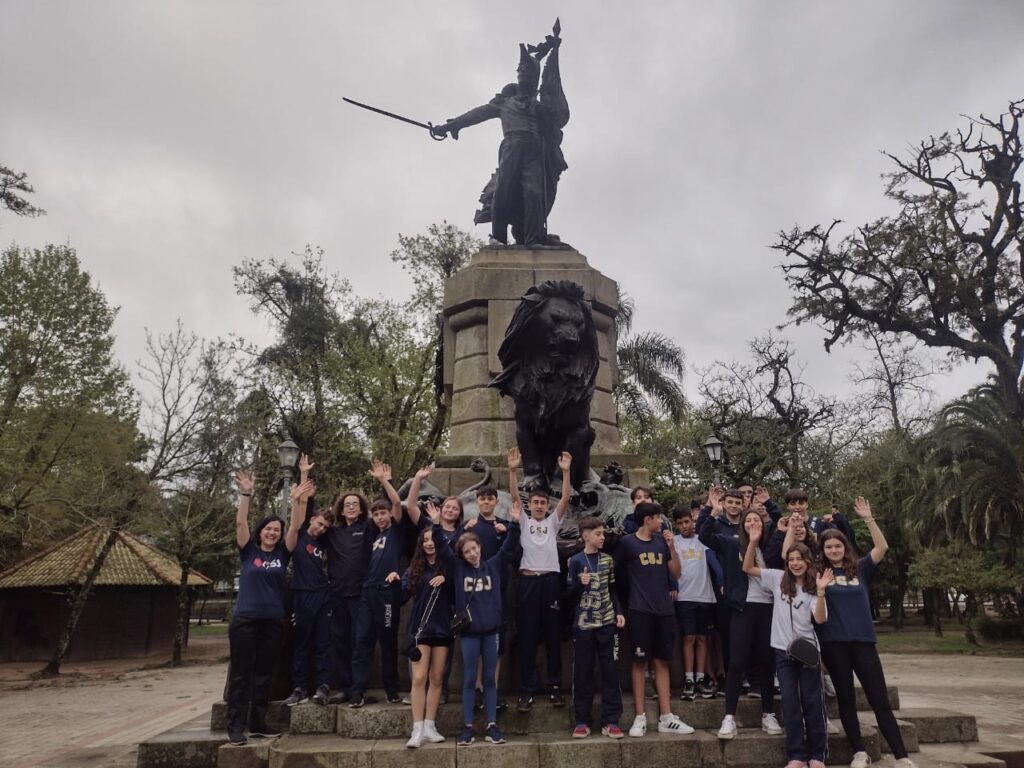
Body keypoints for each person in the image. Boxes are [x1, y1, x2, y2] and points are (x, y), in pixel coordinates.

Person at [430, 26, 568, 247]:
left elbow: (555, 124)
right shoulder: (504, 102)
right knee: (504, 190)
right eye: (520, 70)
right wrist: (452, 125)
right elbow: (479, 113)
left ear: (533, 78)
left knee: (534, 192)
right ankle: (498, 238)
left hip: (534, 149)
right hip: (512, 145)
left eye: (527, 70)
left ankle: (533, 238)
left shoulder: (537, 106)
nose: (522, 72)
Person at [818, 498, 916, 768]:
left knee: (879, 700)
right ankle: (859, 751)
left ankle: (901, 756)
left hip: (863, 643)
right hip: (834, 644)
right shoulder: (820, 573)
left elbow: (882, 547)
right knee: (846, 700)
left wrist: (868, 519)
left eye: (838, 545)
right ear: (823, 550)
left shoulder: (860, 568)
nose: (834, 550)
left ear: (844, 547)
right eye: (829, 546)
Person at [433, 497, 523, 746]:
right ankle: (468, 726)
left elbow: (508, 548)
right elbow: (442, 549)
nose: (472, 553)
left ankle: (492, 725)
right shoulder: (458, 569)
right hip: (470, 634)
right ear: (461, 554)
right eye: (467, 551)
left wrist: (515, 523)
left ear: (480, 548)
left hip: (491, 631)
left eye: (475, 548)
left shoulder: (492, 566)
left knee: (491, 680)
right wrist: (435, 526)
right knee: (470, 679)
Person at [225, 470, 305, 746]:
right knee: (241, 674)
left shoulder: (282, 554)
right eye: (268, 529)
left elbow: (296, 528)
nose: (272, 533)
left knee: (263, 675)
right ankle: (235, 725)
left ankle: (258, 723)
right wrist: (246, 493)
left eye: (276, 530)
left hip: (272, 622)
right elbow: (239, 522)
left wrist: (297, 501)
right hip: (245, 621)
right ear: (260, 532)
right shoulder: (249, 551)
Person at [743, 532, 831, 768]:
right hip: (782, 652)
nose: (795, 563)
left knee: (812, 703)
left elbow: (820, 619)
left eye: (799, 559)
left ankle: (817, 755)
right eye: (791, 559)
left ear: (808, 562)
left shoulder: (814, 587)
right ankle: (796, 756)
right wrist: (753, 541)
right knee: (790, 704)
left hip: (808, 652)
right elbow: (748, 567)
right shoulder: (777, 578)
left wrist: (821, 591)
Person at [699, 494, 782, 739]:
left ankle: (768, 713)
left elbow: (781, 527)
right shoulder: (731, 542)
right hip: (742, 607)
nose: (753, 524)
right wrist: (711, 511)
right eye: (749, 521)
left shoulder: (769, 547)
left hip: (767, 608)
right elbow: (704, 537)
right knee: (736, 662)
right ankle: (729, 717)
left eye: (757, 521)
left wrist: (769, 506)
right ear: (743, 525)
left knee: (766, 662)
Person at [614, 502, 694, 737]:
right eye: (658, 518)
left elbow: (676, 573)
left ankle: (666, 716)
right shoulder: (627, 543)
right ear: (647, 519)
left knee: (662, 662)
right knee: (639, 663)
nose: (662, 522)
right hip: (639, 611)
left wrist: (671, 548)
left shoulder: (663, 541)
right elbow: (616, 574)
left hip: (664, 611)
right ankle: (640, 717)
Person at [510, 447, 570, 711]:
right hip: (527, 583)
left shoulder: (552, 523)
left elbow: (566, 499)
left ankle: (555, 686)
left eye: (542, 503)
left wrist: (566, 473)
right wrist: (512, 470)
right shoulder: (523, 521)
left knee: (553, 636)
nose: (538, 506)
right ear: (530, 505)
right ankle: (527, 689)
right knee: (528, 637)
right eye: (535, 502)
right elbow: (514, 497)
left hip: (550, 582)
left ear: (547, 506)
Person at [348, 460, 405, 708]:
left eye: (384, 513)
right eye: (377, 514)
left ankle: (391, 690)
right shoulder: (373, 535)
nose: (381, 517)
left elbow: (396, 502)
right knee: (362, 642)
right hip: (367, 593)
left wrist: (384, 480)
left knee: (388, 643)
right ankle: (357, 691)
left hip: (387, 595)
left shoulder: (397, 532)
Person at [566, 515, 625, 739]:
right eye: (598, 534)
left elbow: (612, 590)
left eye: (604, 533)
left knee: (610, 670)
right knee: (583, 672)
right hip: (583, 624)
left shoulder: (608, 560)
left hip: (606, 622)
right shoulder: (575, 561)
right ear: (585, 536)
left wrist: (618, 612)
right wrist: (579, 586)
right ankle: (582, 720)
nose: (603, 537)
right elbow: (568, 597)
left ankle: (611, 720)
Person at [283, 454, 334, 707]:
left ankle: (323, 685)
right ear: (312, 520)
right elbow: (300, 508)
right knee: (302, 642)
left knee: (324, 641)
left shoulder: (323, 544)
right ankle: (299, 686)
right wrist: (303, 475)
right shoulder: (300, 536)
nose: (322, 528)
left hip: (323, 596)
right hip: (303, 595)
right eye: (320, 524)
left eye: (325, 527)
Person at [400, 526, 454, 748]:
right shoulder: (414, 569)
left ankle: (431, 725)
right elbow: (402, 596)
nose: (430, 544)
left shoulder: (448, 567)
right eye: (425, 541)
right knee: (419, 678)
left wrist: (445, 579)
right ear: (421, 545)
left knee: (437, 678)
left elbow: (457, 590)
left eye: (433, 540)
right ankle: (417, 727)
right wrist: (395, 583)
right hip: (420, 630)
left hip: (442, 628)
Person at [324, 486, 371, 704]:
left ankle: (358, 689)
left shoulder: (368, 528)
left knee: (359, 642)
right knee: (340, 642)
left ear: (361, 509)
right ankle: (345, 687)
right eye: (347, 505)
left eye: (355, 504)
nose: (351, 507)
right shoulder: (333, 532)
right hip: (337, 595)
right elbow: (308, 524)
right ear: (341, 511)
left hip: (360, 595)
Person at [671, 504, 717, 700]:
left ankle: (701, 677)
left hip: (705, 596)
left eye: (687, 521)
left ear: (693, 520)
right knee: (688, 637)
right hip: (684, 597)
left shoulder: (703, 540)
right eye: (680, 523)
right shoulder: (673, 542)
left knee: (703, 638)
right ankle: (689, 678)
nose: (684, 526)